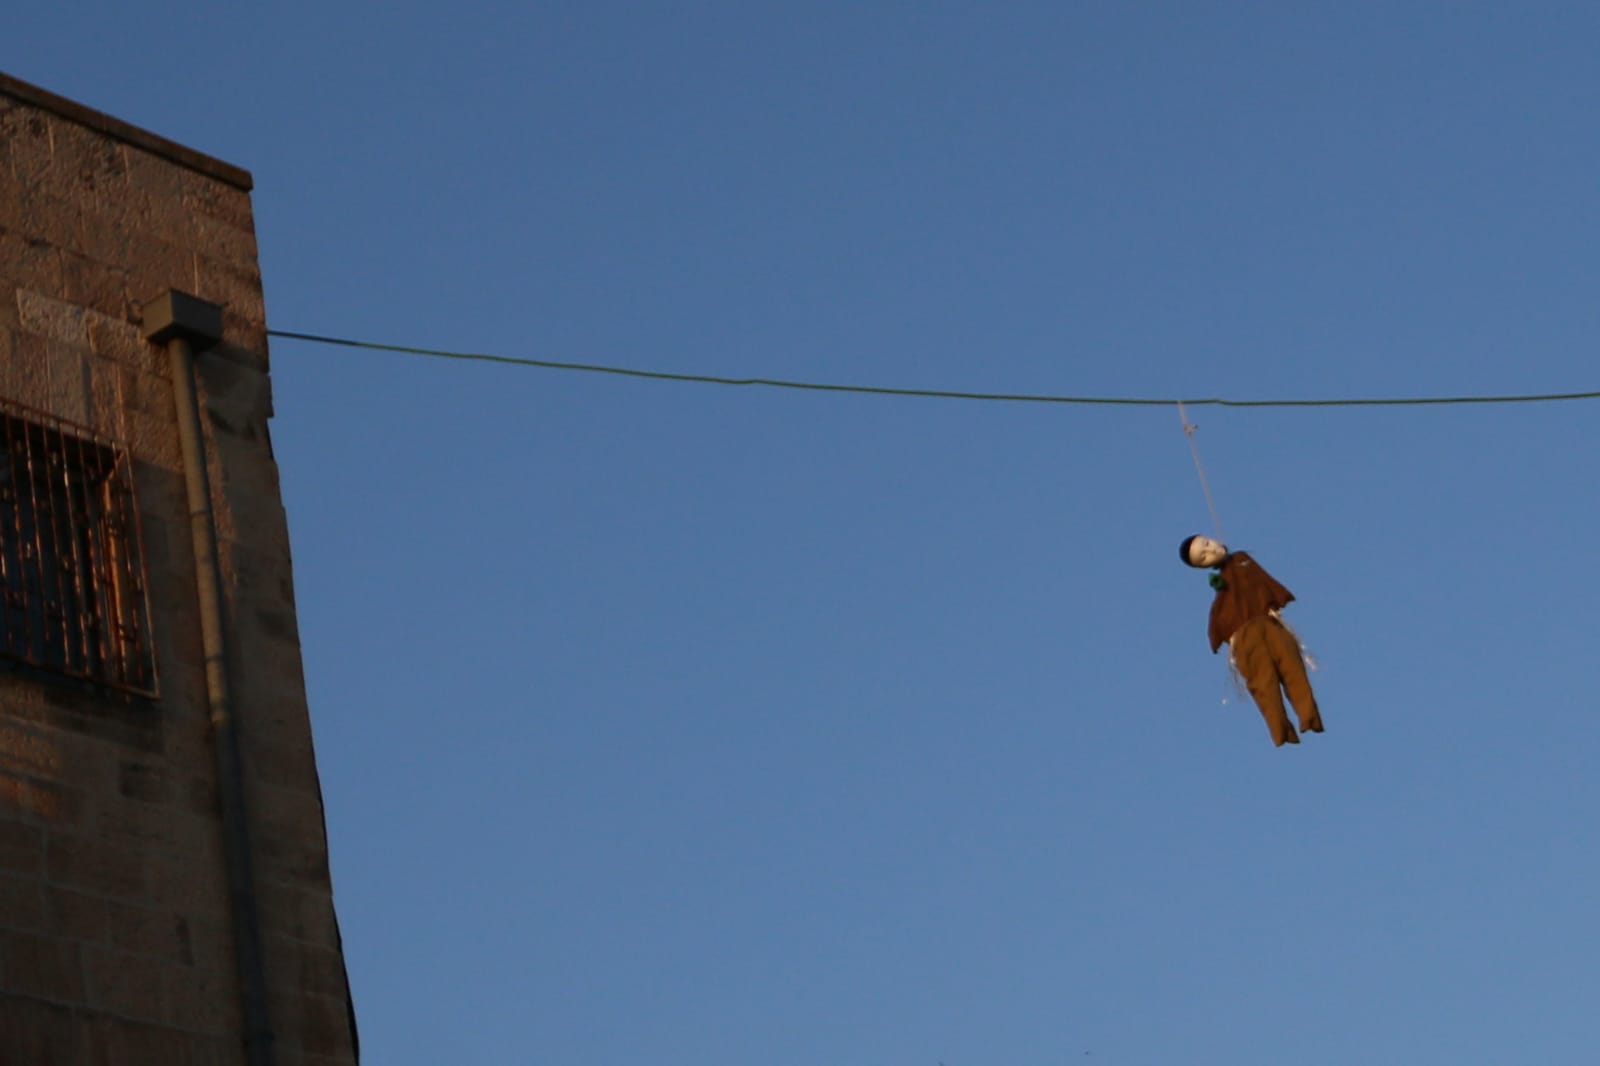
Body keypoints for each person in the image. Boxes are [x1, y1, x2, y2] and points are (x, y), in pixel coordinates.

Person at [1179, 535, 1324, 747]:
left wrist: (1273, 604)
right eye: (1203, 557)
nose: (1210, 551)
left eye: (1207, 544)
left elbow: (1261, 580)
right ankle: (1281, 731)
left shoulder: (1242, 560)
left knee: (1292, 668)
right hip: (1245, 636)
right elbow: (1220, 614)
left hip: (1269, 623)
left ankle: (1309, 717)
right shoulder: (1223, 589)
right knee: (1264, 683)